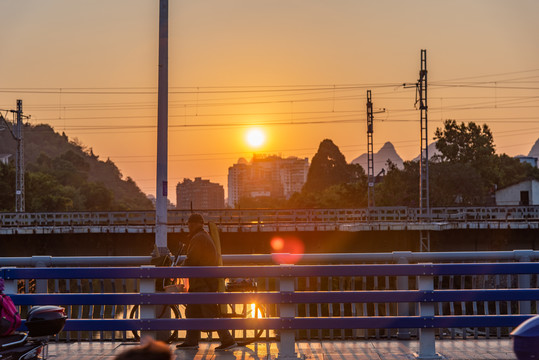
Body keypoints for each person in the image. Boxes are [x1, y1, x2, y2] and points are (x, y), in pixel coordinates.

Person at [176, 213, 237, 351]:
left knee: (210, 314)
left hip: (203, 283)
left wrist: (178, 270)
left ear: (199, 224)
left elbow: (192, 260)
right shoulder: (202, 236)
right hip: (202, 282)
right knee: (192, 312)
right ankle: (191, 341)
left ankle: (228, 340)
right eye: (188, 223)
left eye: (192, 223)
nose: (189, 226)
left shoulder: (198, 238)